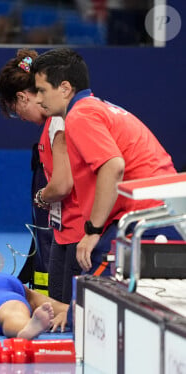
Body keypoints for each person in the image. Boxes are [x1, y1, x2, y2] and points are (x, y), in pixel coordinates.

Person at [30, 48, 180, 277]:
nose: (38, 99)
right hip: (160, 212)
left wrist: (93, 230)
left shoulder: (80, 115)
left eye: (41, 90)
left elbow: (113, 165)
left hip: (146, 218)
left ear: (65, 88)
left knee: (90, 299)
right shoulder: (96, 107)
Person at [0, 49, 84, 304]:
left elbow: (63, 184)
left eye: (15, 110)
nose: (20, 117)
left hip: (82, 230)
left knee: (68, 310)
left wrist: (42, 195)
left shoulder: (60, 121)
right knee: (59, 305)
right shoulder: (52, 124)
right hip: (66, 231)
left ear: (23, 97)